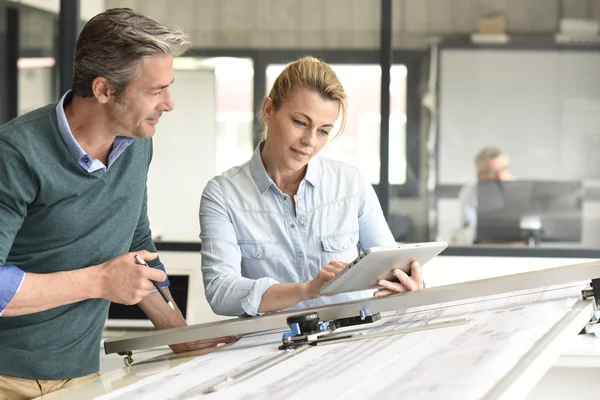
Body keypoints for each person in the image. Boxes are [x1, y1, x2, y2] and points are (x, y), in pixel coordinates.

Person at [0, 8, 232, 399]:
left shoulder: (137, 144)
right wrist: (100, 281)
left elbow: (136, 240)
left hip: (81, 376)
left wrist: (178, 332)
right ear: (105, 90)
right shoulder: (16, 153)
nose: (169, 103)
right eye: (156, 91)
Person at [199, 56, 423, 317]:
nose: (309, 141)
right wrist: (307, 290)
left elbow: (390, 265)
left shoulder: (351, 183)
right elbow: (220, 291)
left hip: (353, 340)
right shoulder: (223, 195)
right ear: (268, 109)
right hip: (272, 346)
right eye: (300, 122)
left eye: (323, 131)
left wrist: (410, 283)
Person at [455, 146, 511, 243]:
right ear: (479, 175)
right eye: (492, 172)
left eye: (503, 169)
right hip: (484, 248)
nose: (500, 176)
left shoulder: (521, 190)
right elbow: (469, 227)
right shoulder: (470, 193)